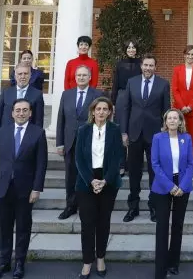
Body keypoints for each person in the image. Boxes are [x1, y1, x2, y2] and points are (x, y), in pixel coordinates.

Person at [0, 99, 48, 279]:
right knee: (4, 228)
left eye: (25, 110)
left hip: (25, 190)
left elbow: (41, 164)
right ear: (12, 113)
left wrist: (37, 189)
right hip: (2, 188)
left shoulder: (38, 133)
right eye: (18, 110)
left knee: (23, 228)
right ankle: (4, 262)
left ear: (30, 113)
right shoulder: (2, 132)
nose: (21, 113)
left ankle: (20, 263)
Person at [0, 63, 45, 220]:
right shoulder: (6, 93)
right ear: (14, 75)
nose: (22, 76)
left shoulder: (37, 94)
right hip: (5, 140)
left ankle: (25, 204)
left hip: (27, 142)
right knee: (2, 172)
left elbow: (38, 121)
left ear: (30, 76)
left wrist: (37, 141)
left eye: (26, 73)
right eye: (19, 74)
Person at [74, 97, 123, 279]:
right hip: (86, 181)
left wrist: (105, 180)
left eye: (105, 109)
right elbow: (78, 158)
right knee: (87, 223)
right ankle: (87, 262)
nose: (101, 112)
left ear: (110, 112)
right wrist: (91, 180)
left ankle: (100, 258)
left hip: (108, 181)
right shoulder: (83, 130)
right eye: (98, 109)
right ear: (92, 111)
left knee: (103, 222)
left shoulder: (115, 130)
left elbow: (118, 156)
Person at [119, 53, 171, 222]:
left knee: (154, 172)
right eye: (145, 65)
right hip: (134, 134)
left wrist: (165, 132)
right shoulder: (131, 83)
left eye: (151, 66)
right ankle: (133, 207)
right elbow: (125, 108)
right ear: (141, 66)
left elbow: (166, 111)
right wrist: (124, 132)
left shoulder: (163, 84)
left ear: (155, 67)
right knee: (134, 172)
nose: (148, 68)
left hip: (155, 135)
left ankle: (153, 206)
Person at [151, 109, 193, 279]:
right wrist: (170, 186)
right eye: (169, 118)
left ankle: (173, 263)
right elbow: (155, 164)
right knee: (162, 227)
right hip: (163, 186)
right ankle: (160, 268)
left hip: (182, 186)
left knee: (177, 225)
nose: (172, 120)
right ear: (165, 121)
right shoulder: (158, 138)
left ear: (180, 121)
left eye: (175, 118)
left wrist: (182, 186)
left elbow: (191, 164)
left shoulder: (187, 138)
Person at [56, 66, 102, 220]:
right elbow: (61, 119)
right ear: (75, 77)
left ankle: (87, 206)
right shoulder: (66, 94)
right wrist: (59, 143)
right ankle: (71, 206)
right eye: (79, 75)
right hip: (70, 142)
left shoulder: (97, 95)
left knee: (88, 174)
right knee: (70, 176)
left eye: (84, 75)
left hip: (90, 143)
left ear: (90, 77)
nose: (81, 77)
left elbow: (103, 120)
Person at [111, 39, 142, 177]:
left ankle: (132, 164)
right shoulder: (119, 64)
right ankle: (121, 164)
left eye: (133, 47)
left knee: (134, 130)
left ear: (136, 49)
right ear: (125, 49)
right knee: (121, 130)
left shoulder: (141, 64)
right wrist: (112, 102)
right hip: (122, 97)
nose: (131, 50)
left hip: (136, 98)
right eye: (129, 47)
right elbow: (115, 84)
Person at [172, 45, 193, 160]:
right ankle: (179, 163)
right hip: (179, 110)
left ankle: (191, 165)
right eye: (188, 54)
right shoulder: (177, 70)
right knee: (179, 138)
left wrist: (190, 106)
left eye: (192, 54)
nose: (190, 56)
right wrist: (182, 106)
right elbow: (175, 90)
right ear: (184, 55)